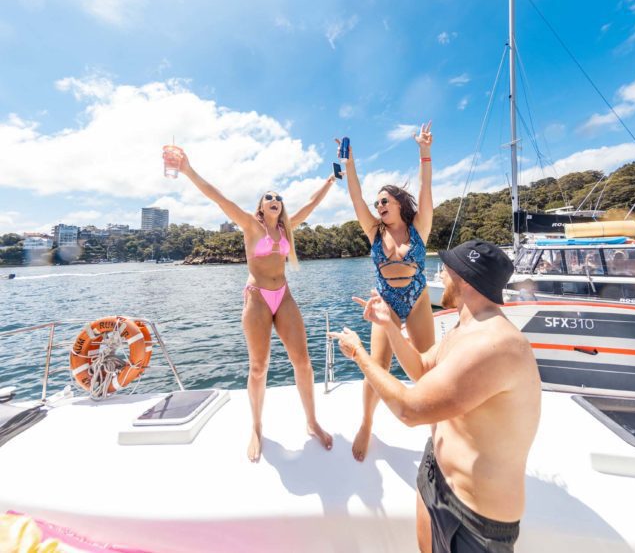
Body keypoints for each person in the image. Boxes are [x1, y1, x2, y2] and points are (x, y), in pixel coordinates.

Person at [329, 240, 541, 552]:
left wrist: (360, 355)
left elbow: (409, 411)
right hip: (435, 472)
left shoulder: (495, 344)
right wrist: (389, 325)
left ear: (464, 280)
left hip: (475, 517)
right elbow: (423, 368)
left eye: (447, 269)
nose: (440, 275)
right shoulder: (465, 328)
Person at [163, 147, 335, 462]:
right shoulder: (249, 225)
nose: (275, 199)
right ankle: (256, 427)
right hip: (256, 297)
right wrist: (187, 170)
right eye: (269, 197)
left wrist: (331, 180)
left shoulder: (287, 228)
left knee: (304, 362)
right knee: (258, 367)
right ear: (260, 205)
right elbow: (219, 198)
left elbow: (311, 203)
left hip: (283, 295)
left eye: (278, 197)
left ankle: (311, 422)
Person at [337, 122, 434, 461]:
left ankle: (438, 426)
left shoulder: (420, 226)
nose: (378, 206)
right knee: (378, 366)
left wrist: (424, 152)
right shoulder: (373, 231)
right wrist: (349, 165)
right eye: (377, 203)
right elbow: (355, 195)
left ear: (398, 204)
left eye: (384, 201)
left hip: (418, 298)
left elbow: (425, 189)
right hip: (386, 303)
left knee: (427, 366)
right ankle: (366, 423)